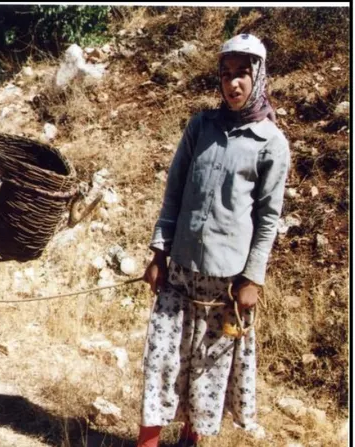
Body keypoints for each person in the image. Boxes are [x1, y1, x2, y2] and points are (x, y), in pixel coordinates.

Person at [137, 34, 290, 447]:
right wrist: (158, 252)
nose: (233, 84)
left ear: (258, 76)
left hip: (223, 286)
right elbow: (174, 192)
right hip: (179, 275)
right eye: (226, 74)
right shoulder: (200, 127)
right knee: (161, 364)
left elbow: (267, 217)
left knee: (206, 374)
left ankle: (190, 441)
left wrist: (252, 278)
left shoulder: (271, 144)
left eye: (243, 74)